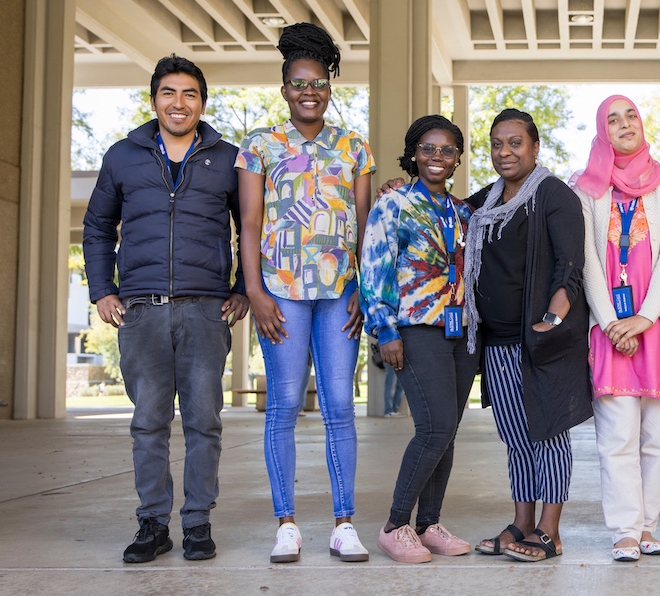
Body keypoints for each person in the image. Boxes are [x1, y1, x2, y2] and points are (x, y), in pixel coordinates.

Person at [83, 54, 249, 563]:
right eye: (169, 94)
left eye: (190, 94)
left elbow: (252, 227)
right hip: (142, 310)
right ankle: (152, 524)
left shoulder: (229, 158)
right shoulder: (122, 155)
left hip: (206, 309)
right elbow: (96, 227)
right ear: (154, 99)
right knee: (148, 422)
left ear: (202, 102)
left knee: (205, 421)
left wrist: (243, 285)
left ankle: (197, 523)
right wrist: (101, 290)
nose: (179, 103)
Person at [236, 23, 374, 564]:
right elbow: (248, 223)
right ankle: (287, 524)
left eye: (317, 82)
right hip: (282, 292)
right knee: (285, 406)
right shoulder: (260, 146)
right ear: (284, 88)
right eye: (298, 82)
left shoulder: (353, 146)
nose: (308, 91)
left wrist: (368, 288)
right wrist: (254, 290)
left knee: (340, 406)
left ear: (330, 87)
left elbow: (365, 226)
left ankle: (343, 523)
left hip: (341, 292)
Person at [467, 109, 593, 562]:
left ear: (534, 147)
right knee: (516, 437)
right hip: (496, 342)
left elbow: (569, 266)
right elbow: (444, 208)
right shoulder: (485, 202)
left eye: (515, 143)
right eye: (497, 144)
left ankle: (550, 531)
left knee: (548, 433)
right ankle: (520, 523)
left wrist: (553, 321)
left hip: (540, 342)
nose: (505, 152)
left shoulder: (554, 195)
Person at [572, 95, 660, 562]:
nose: (624, 125)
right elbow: (587, 264)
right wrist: (613, 322)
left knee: (655, 438)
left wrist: (644, 318)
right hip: (610, 330)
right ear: (603, 131)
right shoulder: (586, 189)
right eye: (613, 119)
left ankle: (647, 529)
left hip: (659, 327)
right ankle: (623, 529)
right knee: (617, 436)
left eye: (631, 116)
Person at [361, 115, 479, 563]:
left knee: (446, 431)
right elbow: (374, 269)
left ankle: (429, 525)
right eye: (428, 148)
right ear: (413, 153)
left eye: (447, 150)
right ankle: (395, 526)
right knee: (433, 428)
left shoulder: (465, 212)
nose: (437, 157)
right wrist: (384, 329)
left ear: (456, 161)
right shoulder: (393, 204)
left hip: (461, 332)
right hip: (415, 327)